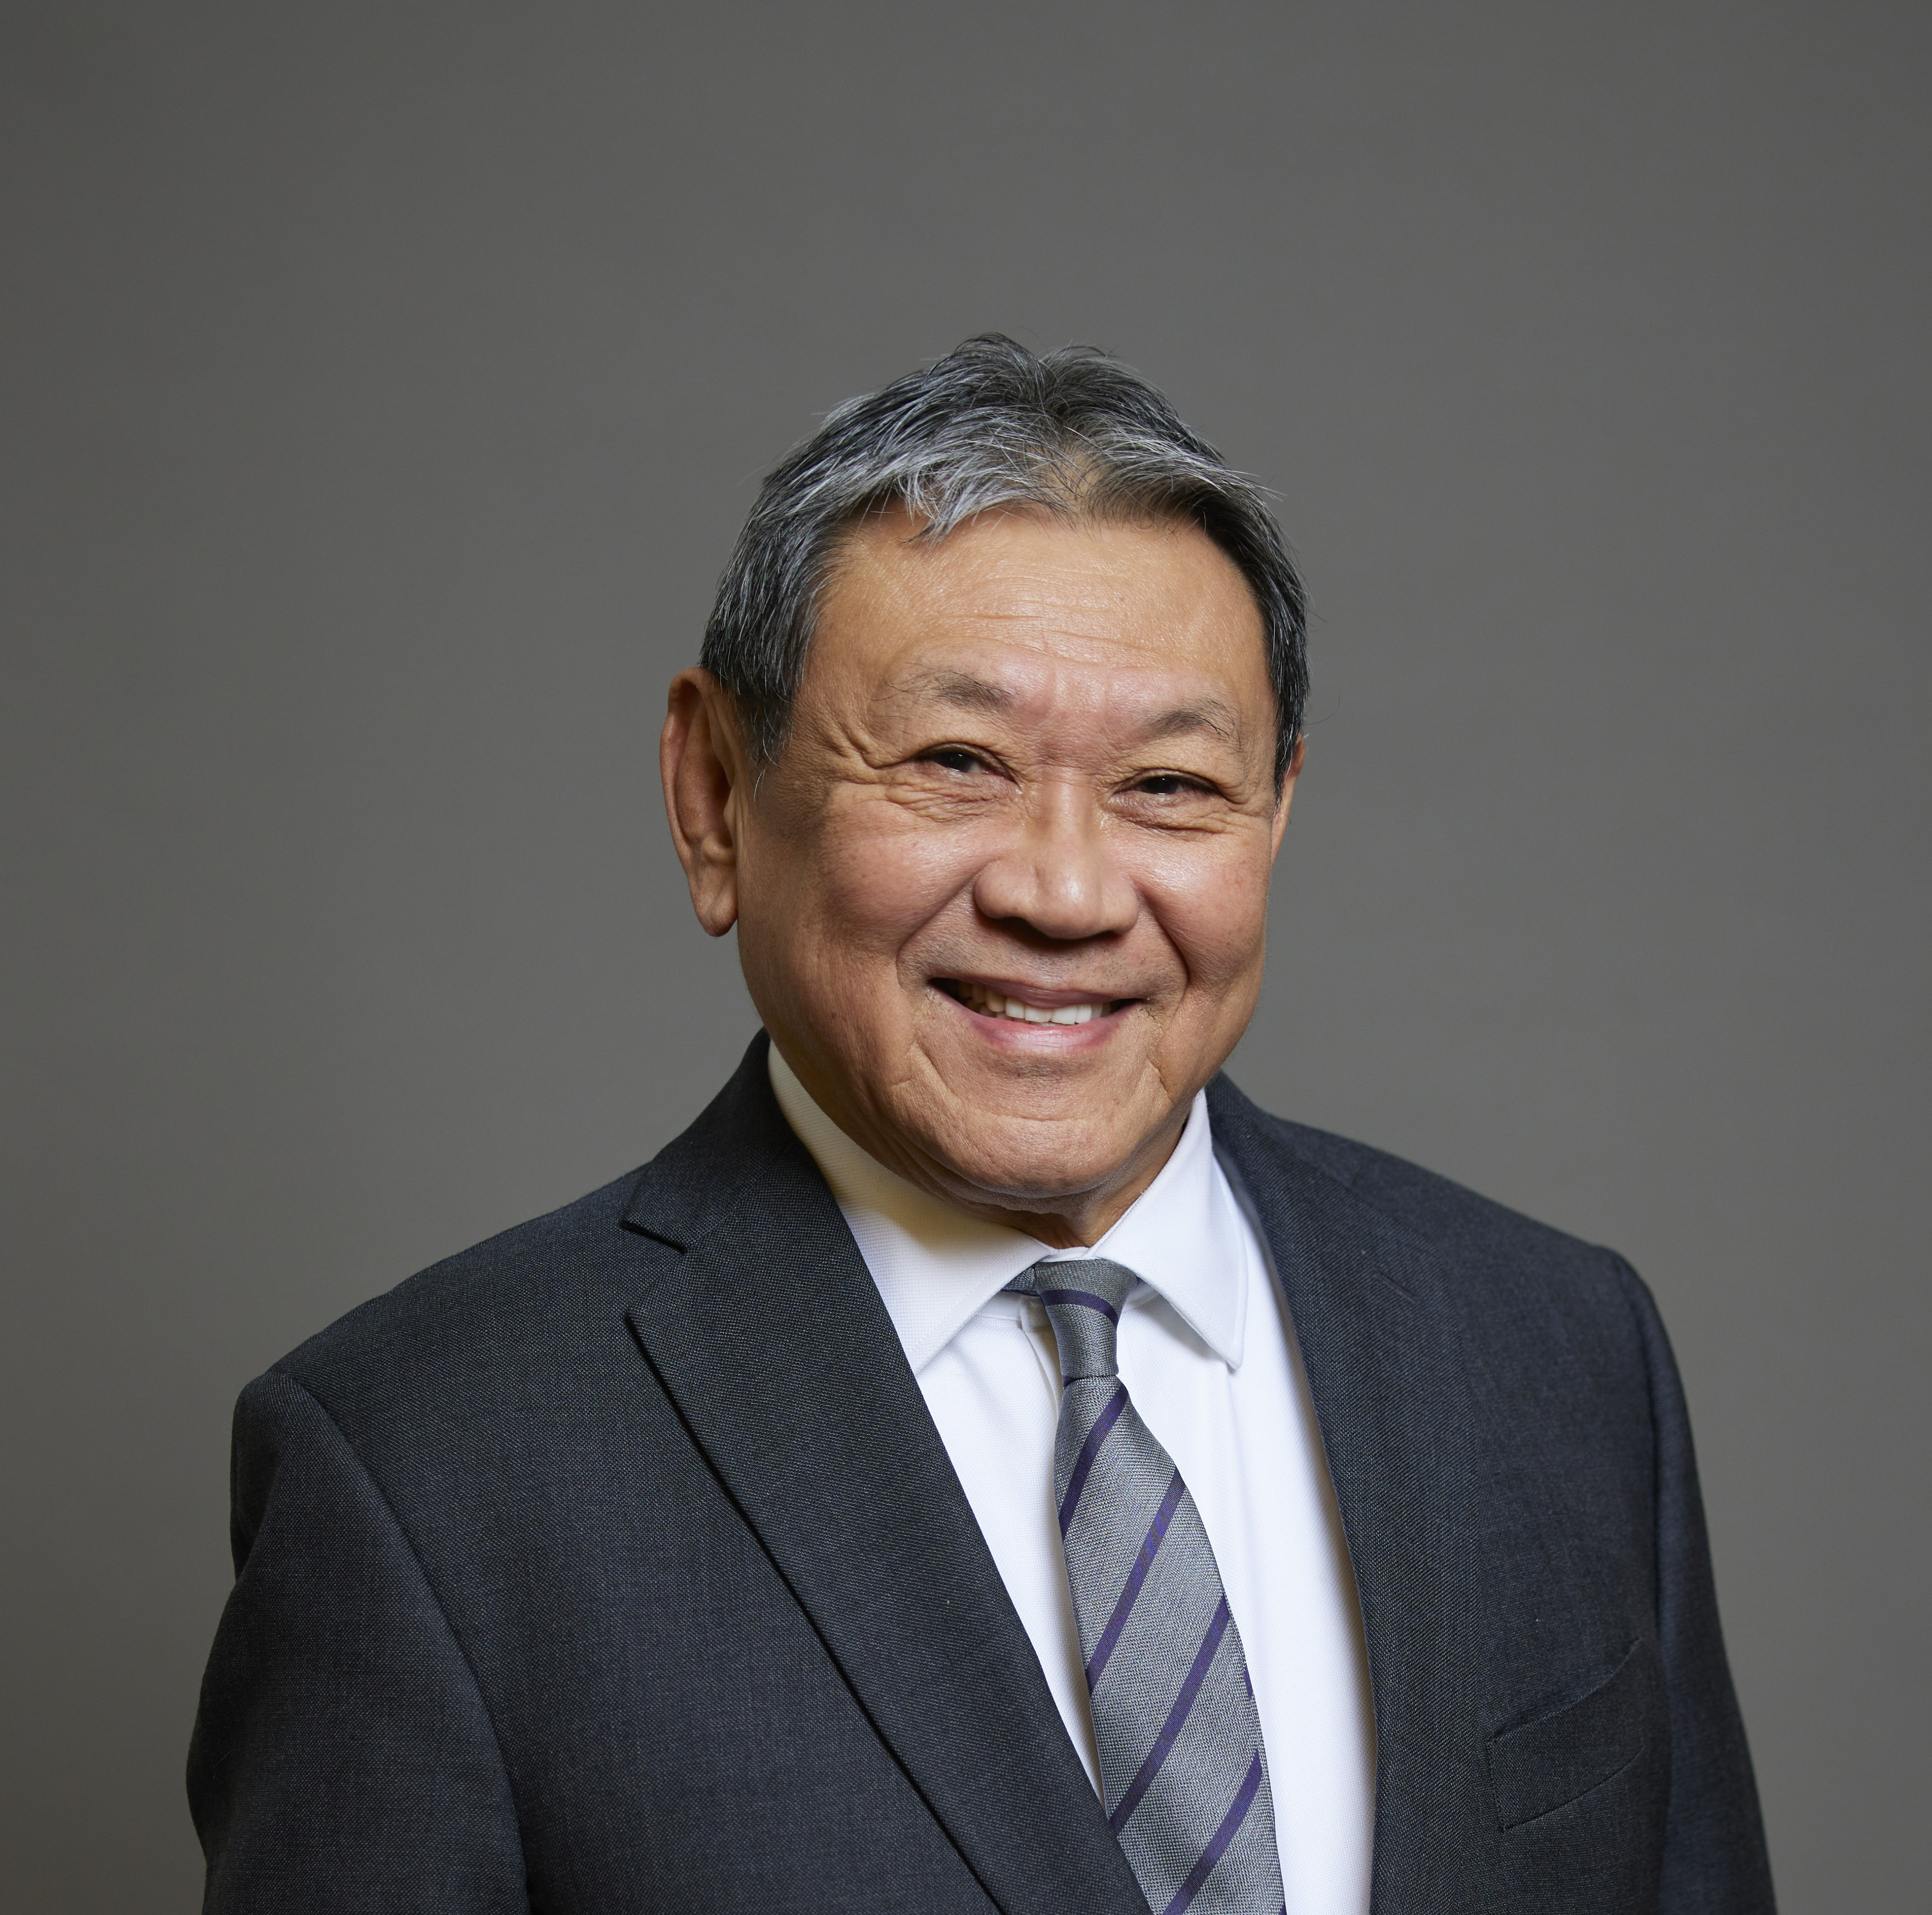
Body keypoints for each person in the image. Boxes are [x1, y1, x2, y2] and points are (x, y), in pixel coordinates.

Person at [188, 336, 1774, 1915]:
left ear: (1278, 810)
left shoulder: (1558, 1355)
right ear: (716, 795)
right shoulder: (432, 1471)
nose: (1066, 894)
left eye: (1170, 786)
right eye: (957, 763)